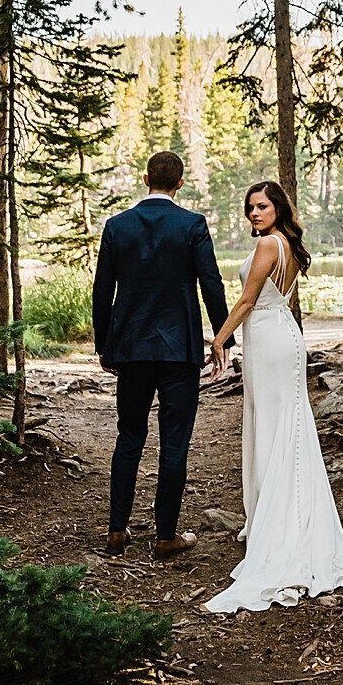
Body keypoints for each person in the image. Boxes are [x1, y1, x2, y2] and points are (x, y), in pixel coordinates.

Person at [204, 180, 343, 613]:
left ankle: (282, 528)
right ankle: (279, 516)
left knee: (280, 428)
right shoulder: (287, 245)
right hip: (279, 335)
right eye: (250, 208)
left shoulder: (268, 246)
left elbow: (245, 301)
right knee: (284, 426)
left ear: (278, 208)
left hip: (269, 338)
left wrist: (219, 340)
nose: (254, 214)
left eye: (261, 206)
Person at [92, 150, 231, 560]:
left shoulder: (117, 226)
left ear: (144, 178)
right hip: (179, 351)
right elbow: (210, 283)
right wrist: (223, 338)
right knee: (175, 442)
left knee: (129, 436)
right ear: (180, 183)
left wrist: (105, 344)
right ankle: (165, 536)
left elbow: (103, 291)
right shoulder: (192, 225)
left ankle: (117, 530)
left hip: (132, 350)